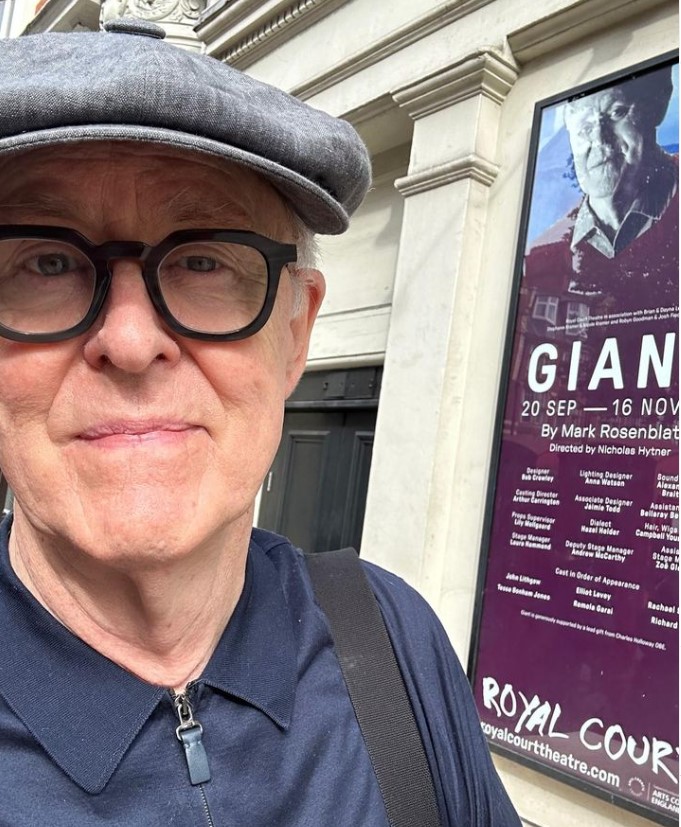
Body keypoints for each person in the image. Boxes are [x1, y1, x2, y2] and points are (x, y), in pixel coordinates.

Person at [0, 18, 521, 827]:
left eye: (205, 260)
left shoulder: (394, 641)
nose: (131, 341)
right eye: (46, 262)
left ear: (294, 336)